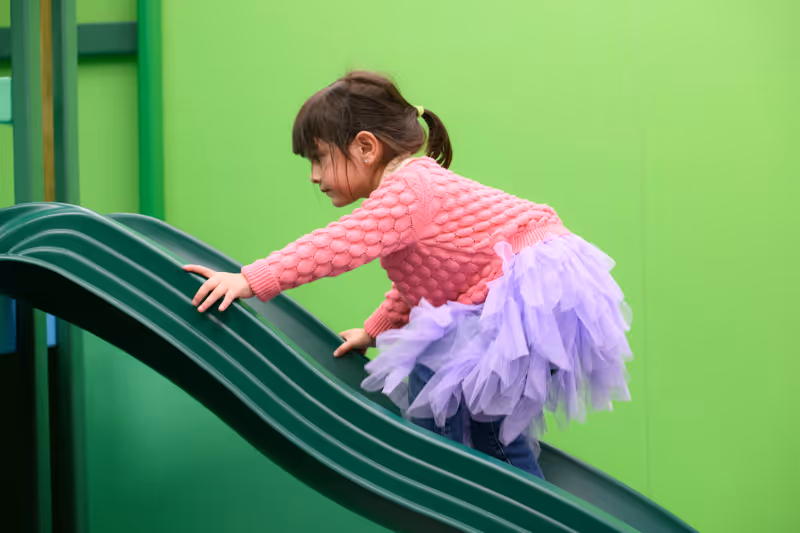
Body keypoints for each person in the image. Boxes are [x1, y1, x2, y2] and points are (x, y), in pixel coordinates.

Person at [184, 71, 633, 480]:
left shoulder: (407, 191)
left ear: (365, 147)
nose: (314, 176)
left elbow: (334, 247)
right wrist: (374, 329)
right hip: (519, 289)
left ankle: (514, 507)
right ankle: (459, 479)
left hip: (531, 287)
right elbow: (424, 285)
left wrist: (250, 279)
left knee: (480, 416)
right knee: (460, 393)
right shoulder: (410, 193)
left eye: (319, 158)